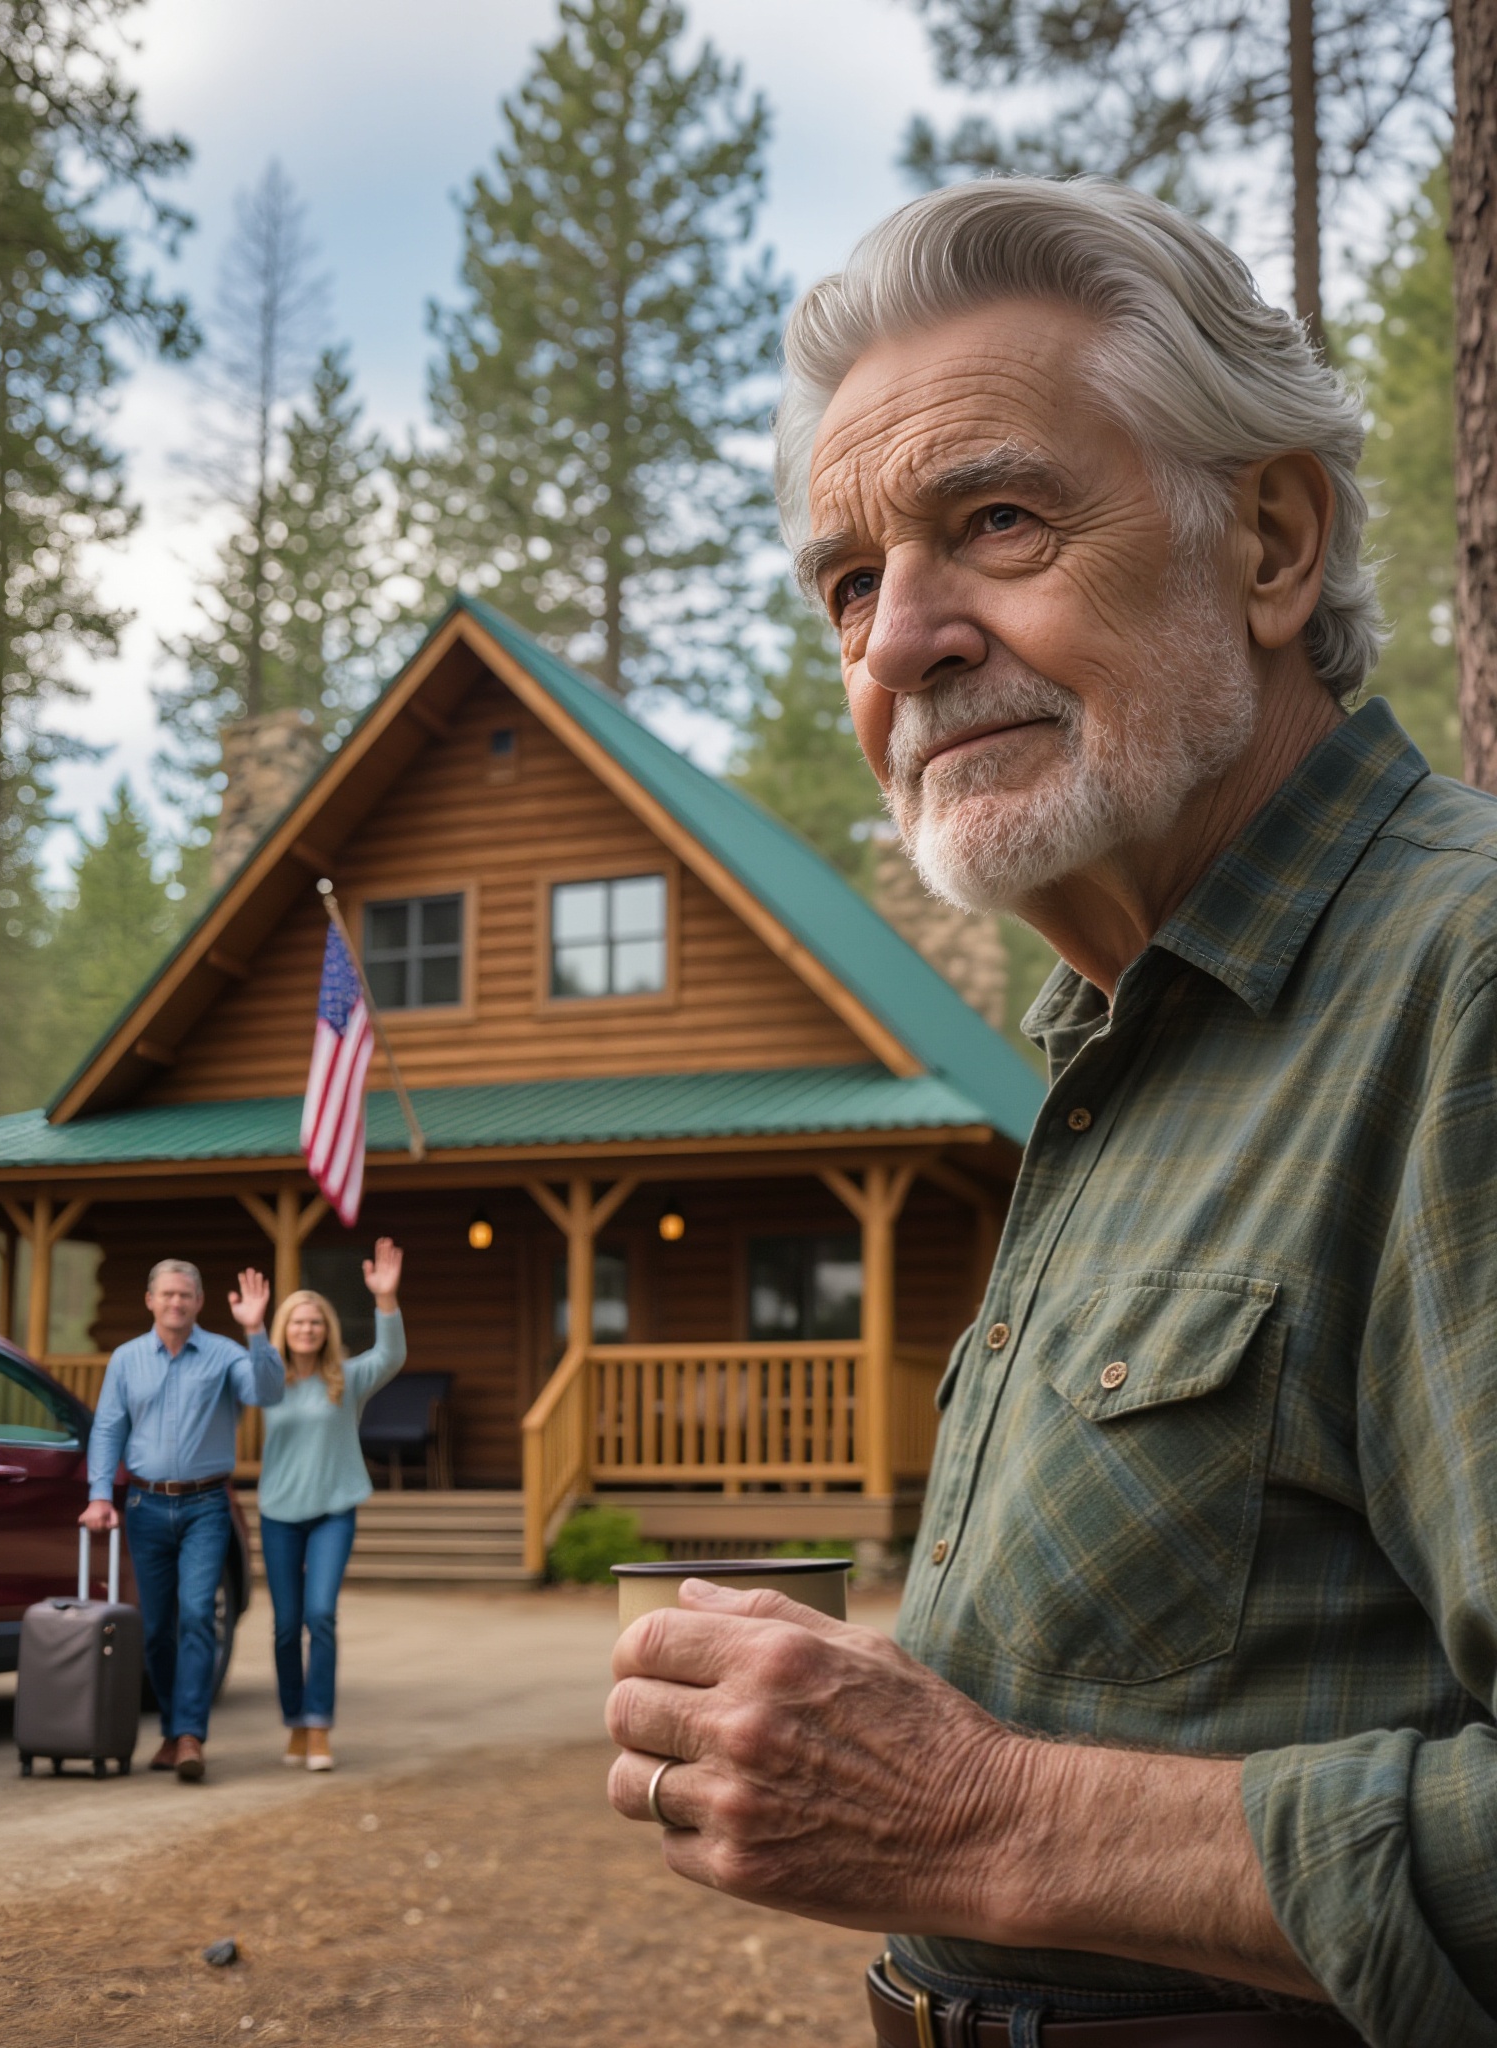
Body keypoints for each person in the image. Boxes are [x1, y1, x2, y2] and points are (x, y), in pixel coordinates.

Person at [606, 174, 1497, 2048]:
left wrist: (982, 1814)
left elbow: (1002, 1812)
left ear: (1268, 542)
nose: (897, 643)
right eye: (850, 584)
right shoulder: (1119, 1046)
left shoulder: (1459, 986)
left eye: (994, 522)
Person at [80, 1258, 281, 1781]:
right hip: (144, 1507)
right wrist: (100, 1495)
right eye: (167, 1294)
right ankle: (172, 1730)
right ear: (150, 1300)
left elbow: (267, 1393)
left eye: (185, 1295)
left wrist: (257, 1330)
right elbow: (108, 1430)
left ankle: (190, 1734)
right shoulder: (126, 1359)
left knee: (196, 1615)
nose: (176, 1302)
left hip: (206, 1506)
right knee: (155, 1629)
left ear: (199, 1302)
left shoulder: (225, 1354)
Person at [254, 1238, 406, 1772]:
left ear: (326, 1330)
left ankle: (319, 1725)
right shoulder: (267, 1381)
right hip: (278, 1513)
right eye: (298, 1322)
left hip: (333, 1512)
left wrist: (385, 1298)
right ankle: (295, 1721)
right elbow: (250, 1368)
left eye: (315, 1322)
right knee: (284, 1625)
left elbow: (391, 1356)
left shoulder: (347, 1378)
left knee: (319, 1615)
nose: (307, 1329)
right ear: (285, 1329)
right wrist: (253, 1328)